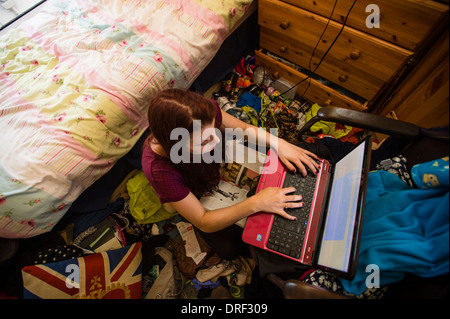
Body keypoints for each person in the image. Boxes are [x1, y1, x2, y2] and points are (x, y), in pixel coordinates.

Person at [142, 88, 319, 260]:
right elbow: (203, 220)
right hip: (196, 190)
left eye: (215, 130)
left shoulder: (202, 113)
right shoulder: (159, 170)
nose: (217, 139)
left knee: (292, 154)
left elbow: (243, 128)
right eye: (205, 141)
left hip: (214, 167)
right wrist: (256, 202)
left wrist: (279, 143)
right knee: (231, 248)